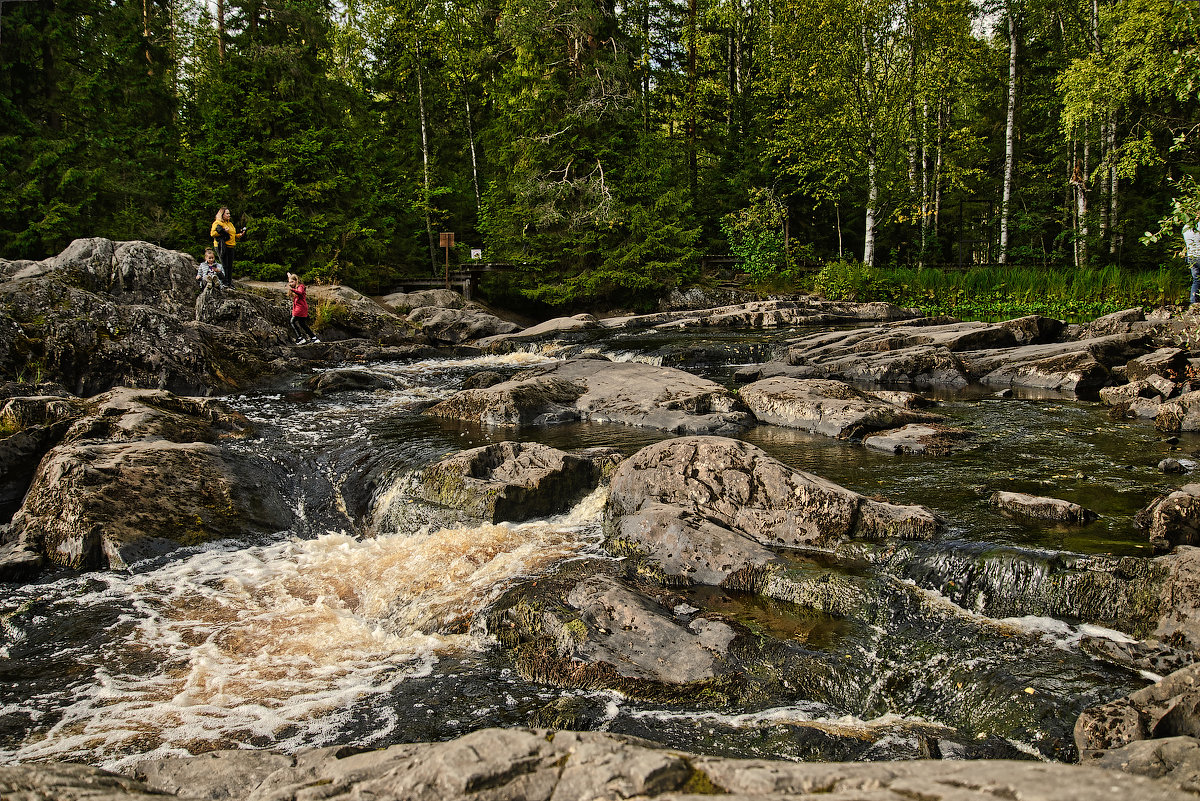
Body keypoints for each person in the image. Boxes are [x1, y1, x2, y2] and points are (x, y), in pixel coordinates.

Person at [210, 207, 246, 287]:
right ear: (222, 214)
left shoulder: (230, 223)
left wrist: (239, 235)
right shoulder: (217, 222)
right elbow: (212, 234)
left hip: (231, 246)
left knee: (230, 266)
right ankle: (224, 282)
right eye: (227, 213)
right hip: (222, 246)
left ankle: (229, 283)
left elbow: (232, 234)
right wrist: (223, 231)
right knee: (224, 265)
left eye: (229, 213)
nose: (229, 215)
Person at [287, 272, 319, 344]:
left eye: (292, 282)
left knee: (292, 321)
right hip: (301, 308)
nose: (291, 284)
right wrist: (289, 277)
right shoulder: (296, 287)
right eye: (290, 282)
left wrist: (292, 289)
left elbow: (300, 292)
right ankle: (313, 337)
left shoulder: (300, 286)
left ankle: (300, 338)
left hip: (300, 308)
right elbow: (291, 282)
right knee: (302, 324)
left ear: (296, 281)